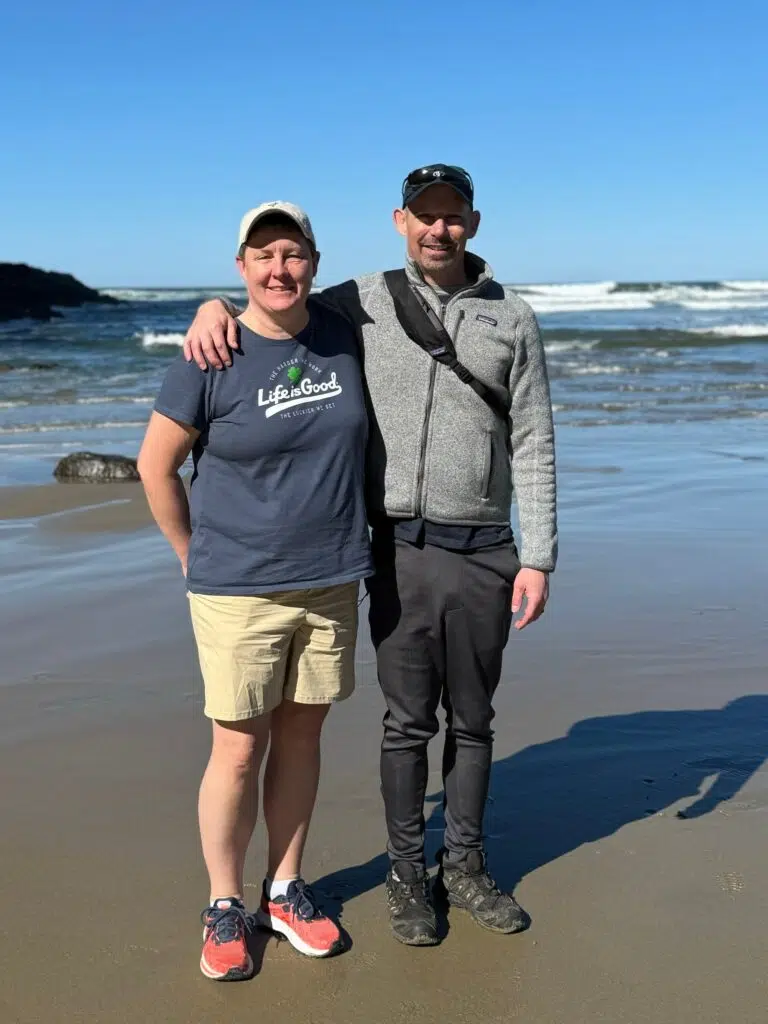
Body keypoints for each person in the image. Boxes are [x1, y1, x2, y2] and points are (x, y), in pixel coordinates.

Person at [184, 165, 558, 946]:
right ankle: (403, 876)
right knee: (404, 723)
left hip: (486, 544)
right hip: (392, 545)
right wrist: (208, 308)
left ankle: (464, 866)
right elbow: (273, 305)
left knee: (477, 719)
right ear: (399, 221)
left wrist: (540, 553)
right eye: (425, 216)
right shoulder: (362, 300)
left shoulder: (512, 317)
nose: (438, 230)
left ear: (473, 224)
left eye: (452, 217)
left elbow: (534, 439)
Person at [137, 202, 372, 980]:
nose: (280, 268)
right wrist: (188, 553)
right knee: (237, 750)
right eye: (264, 254)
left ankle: (284, 888)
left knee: (302, 739)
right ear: (240, 266)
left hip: (333, 579)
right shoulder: (213, 352)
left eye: (294, 253)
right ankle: (223, 903)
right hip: (239, 589)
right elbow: (155, 465)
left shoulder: (343, 329)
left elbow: (424, 284)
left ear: (314, 261)